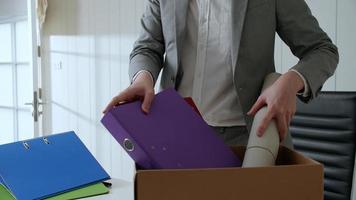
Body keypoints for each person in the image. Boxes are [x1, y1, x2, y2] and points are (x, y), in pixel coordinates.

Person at [103, 0, 338, 148]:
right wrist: (143, 77)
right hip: (177, 136)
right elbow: (147, 47)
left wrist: (291, 80)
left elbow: (322, 50)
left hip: (248, 141)